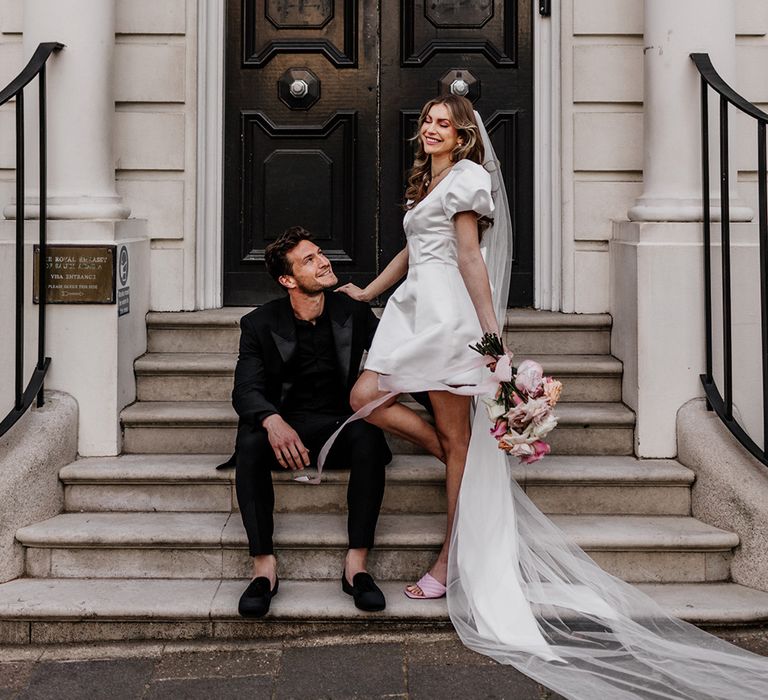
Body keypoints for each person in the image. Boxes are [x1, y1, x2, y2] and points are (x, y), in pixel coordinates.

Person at [332, 94, 768, 698]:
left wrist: (492, 337)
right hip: (411, 314)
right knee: (369, 398)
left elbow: (468, 257)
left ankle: (446, 563)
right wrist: (367, 293)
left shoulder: (467, 180)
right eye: (427, 122)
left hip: (449, 319)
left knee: (456, 438)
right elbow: (412, 252)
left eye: (444, 124)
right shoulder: (426, 181)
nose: (431, 130)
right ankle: (468, 467)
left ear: (463, 137)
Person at [231, 226, 392, 618]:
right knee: (250, 444)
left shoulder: (353, 311)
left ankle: (356, 567)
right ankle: (263, 569)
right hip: (287, 429)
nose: (324, 262)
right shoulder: (258, 324)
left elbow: (398, 354)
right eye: (310, 259)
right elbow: (245, 390)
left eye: (320, 254)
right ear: (287, 280)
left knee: (370, 436)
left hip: (339, 425)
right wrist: (271, 419)